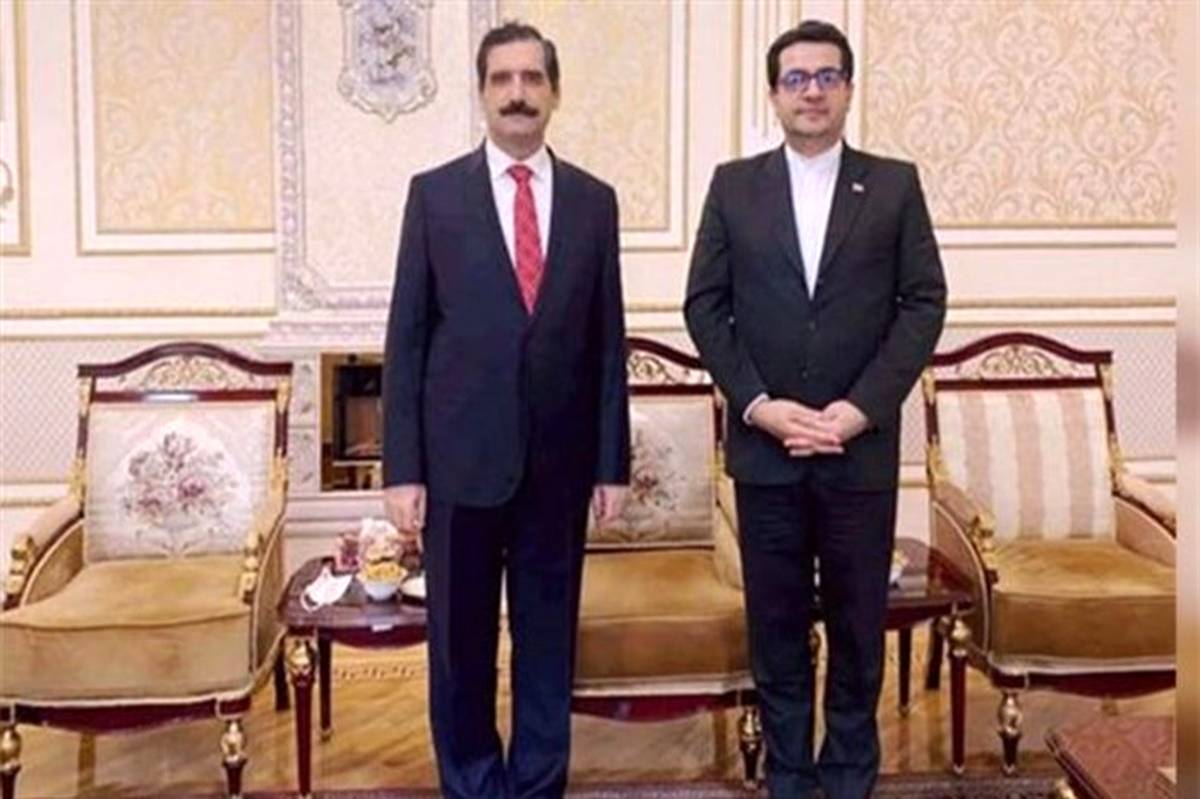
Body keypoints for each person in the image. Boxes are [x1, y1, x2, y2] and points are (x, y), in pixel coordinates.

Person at [684, 20, 947, 799]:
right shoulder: (734, 186)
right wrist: (758, 405)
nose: (812, 91)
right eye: (796, 78)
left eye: (827, 76)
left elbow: (923, 303)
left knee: (858, 630)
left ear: (849, 89)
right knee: (777, 629)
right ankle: (791, 779)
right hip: (767, 453)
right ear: (774, 94)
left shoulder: (893, 185)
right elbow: (705, 305)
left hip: (857, 451)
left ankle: (849, 777)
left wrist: (862, 408)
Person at [381, 21, 630, 799]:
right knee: (460, 644)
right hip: (458, 465)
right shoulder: (434, 196)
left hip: (559, 467)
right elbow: (406, 340)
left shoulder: (594, 201)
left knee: (548, 641)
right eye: (501, 79)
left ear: (554, 92)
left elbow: (607, 340)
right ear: (482, 92)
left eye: (531, 78)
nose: (517, 94)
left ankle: (538, 781)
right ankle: (472, 782)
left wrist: (611, 464)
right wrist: (402, 469)